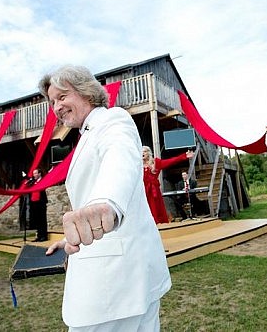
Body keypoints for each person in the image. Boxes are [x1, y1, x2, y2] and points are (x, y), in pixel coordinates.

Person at [40, 65, 171, 331]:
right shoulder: (86, 134)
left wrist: (106, 203)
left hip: (116, 282)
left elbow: (119, 158)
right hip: (118, 279)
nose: (56, 106)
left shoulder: (112, 120)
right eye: (52, 101)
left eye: (62, 97)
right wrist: (71, 237)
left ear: (87, 92)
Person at [142, 146, 194, 224]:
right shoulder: (137, 165)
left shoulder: (156, 163)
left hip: (154, 191)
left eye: (145, 151)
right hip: (143, 191)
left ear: (148, 153)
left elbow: (171, 161)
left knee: (155, 208)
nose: (142, 153)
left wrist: (184, 156)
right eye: (141, 152)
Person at [28, 168, 48, 242]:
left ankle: (44, 236)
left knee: (42, 219)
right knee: (37, 220)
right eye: (33, 174)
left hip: (41, 202)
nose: (34, 175)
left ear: (39, 174)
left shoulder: (43, 180)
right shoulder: (33, 182)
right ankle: (39, 236)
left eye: (35, 173)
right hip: (34, 203)